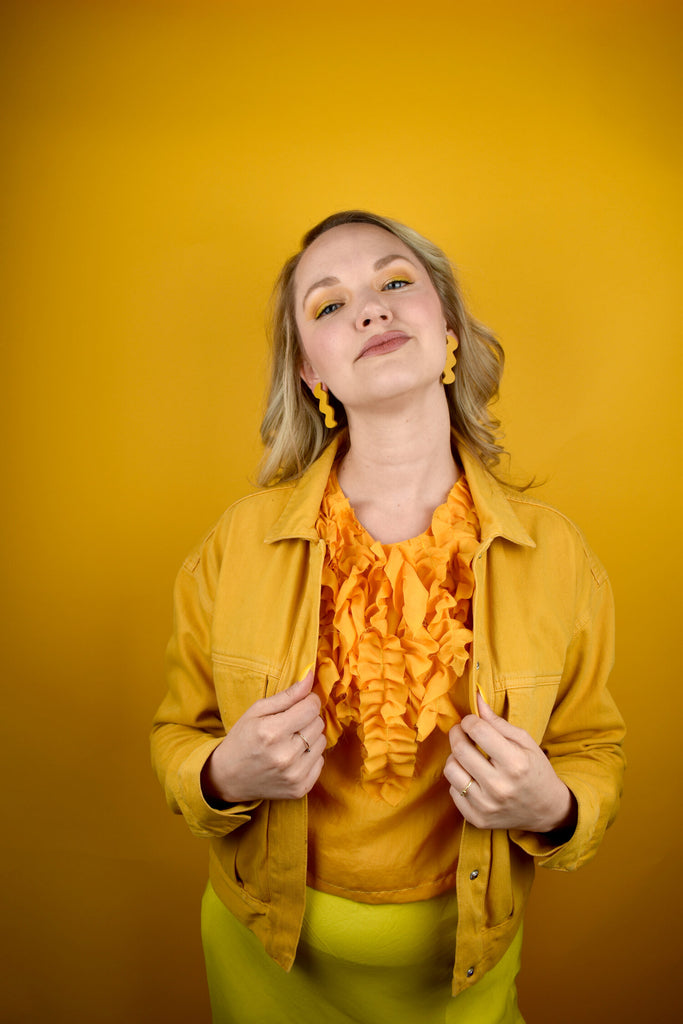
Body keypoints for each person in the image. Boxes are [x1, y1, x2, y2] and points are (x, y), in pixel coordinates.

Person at [151, 210, 625, 1023]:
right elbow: (176, 733)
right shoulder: (234, 544)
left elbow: (591, 747)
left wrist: (553, 807)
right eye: (328, 304)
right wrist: (226, 774)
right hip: (262, 957)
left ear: (445, 326)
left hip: (461, 974)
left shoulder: (557, 555)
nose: (369, 309)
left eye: (395, 283)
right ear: (309, 371)